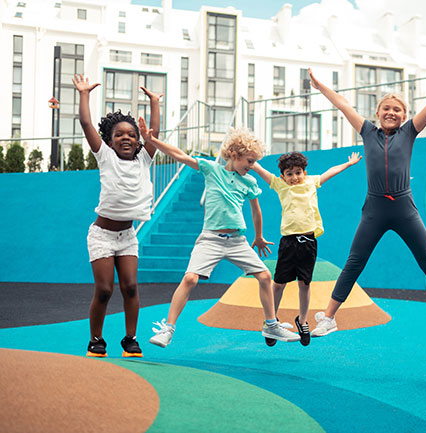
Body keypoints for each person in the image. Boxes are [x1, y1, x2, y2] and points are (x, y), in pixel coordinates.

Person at [308, 58, 426, 339]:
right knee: (355, 262)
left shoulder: (410, 132)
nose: (391, 112)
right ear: (378, 112)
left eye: (397, 109)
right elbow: (342, 104)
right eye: (386, 108)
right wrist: (320, 87)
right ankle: (328, 317)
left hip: (404, 208)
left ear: (404, 115)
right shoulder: (367, 131)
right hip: (375, 209)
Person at [138, 120, 300, 347]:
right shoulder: (211, 169)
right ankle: (168, 329)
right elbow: (181, 156)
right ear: (234, 155)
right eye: (250, 161)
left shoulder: (250, 181)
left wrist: (259, 236)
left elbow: (256, 211)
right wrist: (151, 140)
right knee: (190, 278)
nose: (252, 165)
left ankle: (271, 325)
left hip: (237, 241)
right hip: (210, 239)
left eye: (255, 162)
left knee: (264, 276)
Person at [73, 74, 161, 358]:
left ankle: (130, 339)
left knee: (131, 287)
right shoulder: (105, 157)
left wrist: (155, 103)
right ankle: (96, 340)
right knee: (104, 289)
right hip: (101, 235)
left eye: (132, 135)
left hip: (127, 236)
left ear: (138, 142)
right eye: (119, 135)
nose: (126, 137)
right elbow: (87, 124)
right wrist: (84, 94)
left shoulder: (144, 159)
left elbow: (154, 133)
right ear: (110, 142)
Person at [251, 151, 362, 346]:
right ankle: (271, 321)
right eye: (289, 173)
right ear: (283, 176)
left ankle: (302, 320)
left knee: (305, 284)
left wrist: (349, 164)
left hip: (309, 242)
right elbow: (260, 169)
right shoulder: (280, 185)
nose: (294, 177)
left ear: (305, 172)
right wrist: (249, 160)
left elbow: (330, 172)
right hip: (288, 243)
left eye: (298, 172)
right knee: (278, 284)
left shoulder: (311, 182)